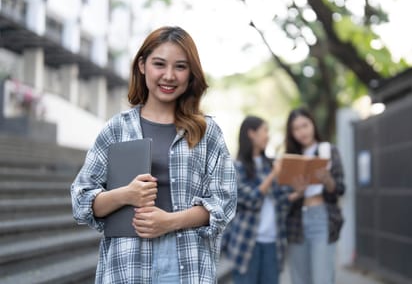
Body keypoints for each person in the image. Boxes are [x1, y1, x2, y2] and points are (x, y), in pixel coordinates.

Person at [70, 26, 237, 284]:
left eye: (180, 67)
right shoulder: (117, 129)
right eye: (159, 64)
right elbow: (81, 201)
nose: (169, 76)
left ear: (191, 73)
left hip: (186, 262)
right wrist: (125, 194)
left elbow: (224, 202)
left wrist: (169, 221)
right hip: (127, 263)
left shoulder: (207, 132)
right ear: (142, 65)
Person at [223, 115, 292, 284]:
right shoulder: (236, 166)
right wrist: (273, 176)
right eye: (264, 131)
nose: (268, 135)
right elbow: (251, 200)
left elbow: (281, 201)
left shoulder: (271, 164)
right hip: (247, 243)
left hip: (273, 243)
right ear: (251, 133)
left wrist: (298, 191)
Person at [284, 107, 345, 284]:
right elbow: (283, 197)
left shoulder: (329, 151)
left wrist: (327, 180)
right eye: (296, 128)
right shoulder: (290, 158)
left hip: (322, 217)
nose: (302, 131)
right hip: (296, 222)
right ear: (291, 133)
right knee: (300, 279)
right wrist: (297, 192)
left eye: (305, 125)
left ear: (313, 124)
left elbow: (340, 189)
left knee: (322, 278)